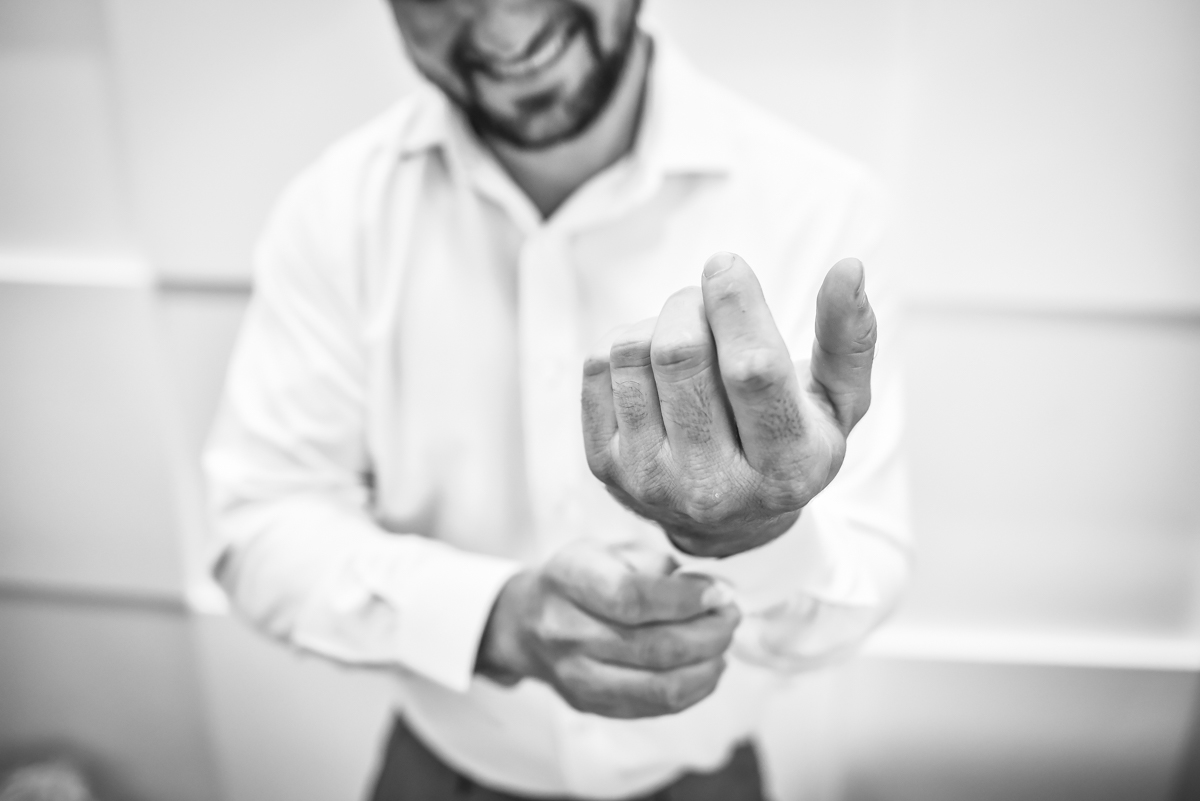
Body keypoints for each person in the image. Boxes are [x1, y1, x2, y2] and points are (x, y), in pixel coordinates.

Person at [204, 0, 911, 798]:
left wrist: (763, 531)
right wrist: (494, 618)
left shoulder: (816, 199)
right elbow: (259, 523)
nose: (506, 31)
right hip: (437, 774)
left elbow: (858, 590)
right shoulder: (334, 213)